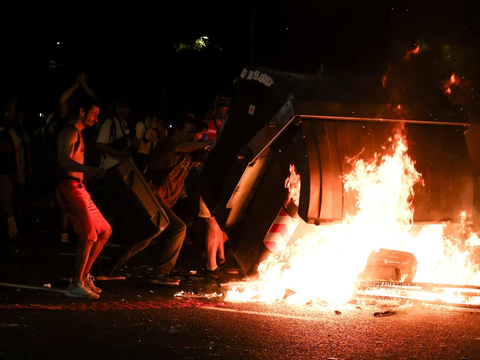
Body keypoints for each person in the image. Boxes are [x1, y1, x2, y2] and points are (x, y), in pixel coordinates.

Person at [101, 113, 212, 286]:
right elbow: (182, 147)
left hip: (165, 198)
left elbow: (199, 157)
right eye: (188, 132)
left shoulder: (190, 150)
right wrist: (208, 142)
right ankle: (162, 273)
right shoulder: (167, 143)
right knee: (178, 227)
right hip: (152, 195)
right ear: (177, 130)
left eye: (193, 133)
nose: (191, 136)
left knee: (147, 235)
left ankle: (106, 268)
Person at [56, 96, 112, 298]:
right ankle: (76, 283)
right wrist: (90, 169)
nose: (96, 119)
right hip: (71, 187)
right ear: (82, 111)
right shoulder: (69, 132)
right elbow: (63, 161)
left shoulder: (78, 133)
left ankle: (84, 276)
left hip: (81, 188)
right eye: (94, 114)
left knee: (104, 230)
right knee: (88, 235)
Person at [96, 98, 137, 170]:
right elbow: (100, 144)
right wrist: (118, 153)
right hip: (110, 166)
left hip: (125, 165)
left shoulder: (130, 124)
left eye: (129, 107)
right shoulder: (110, 123)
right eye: (124, 107)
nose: (127, 109)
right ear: (117, 109)